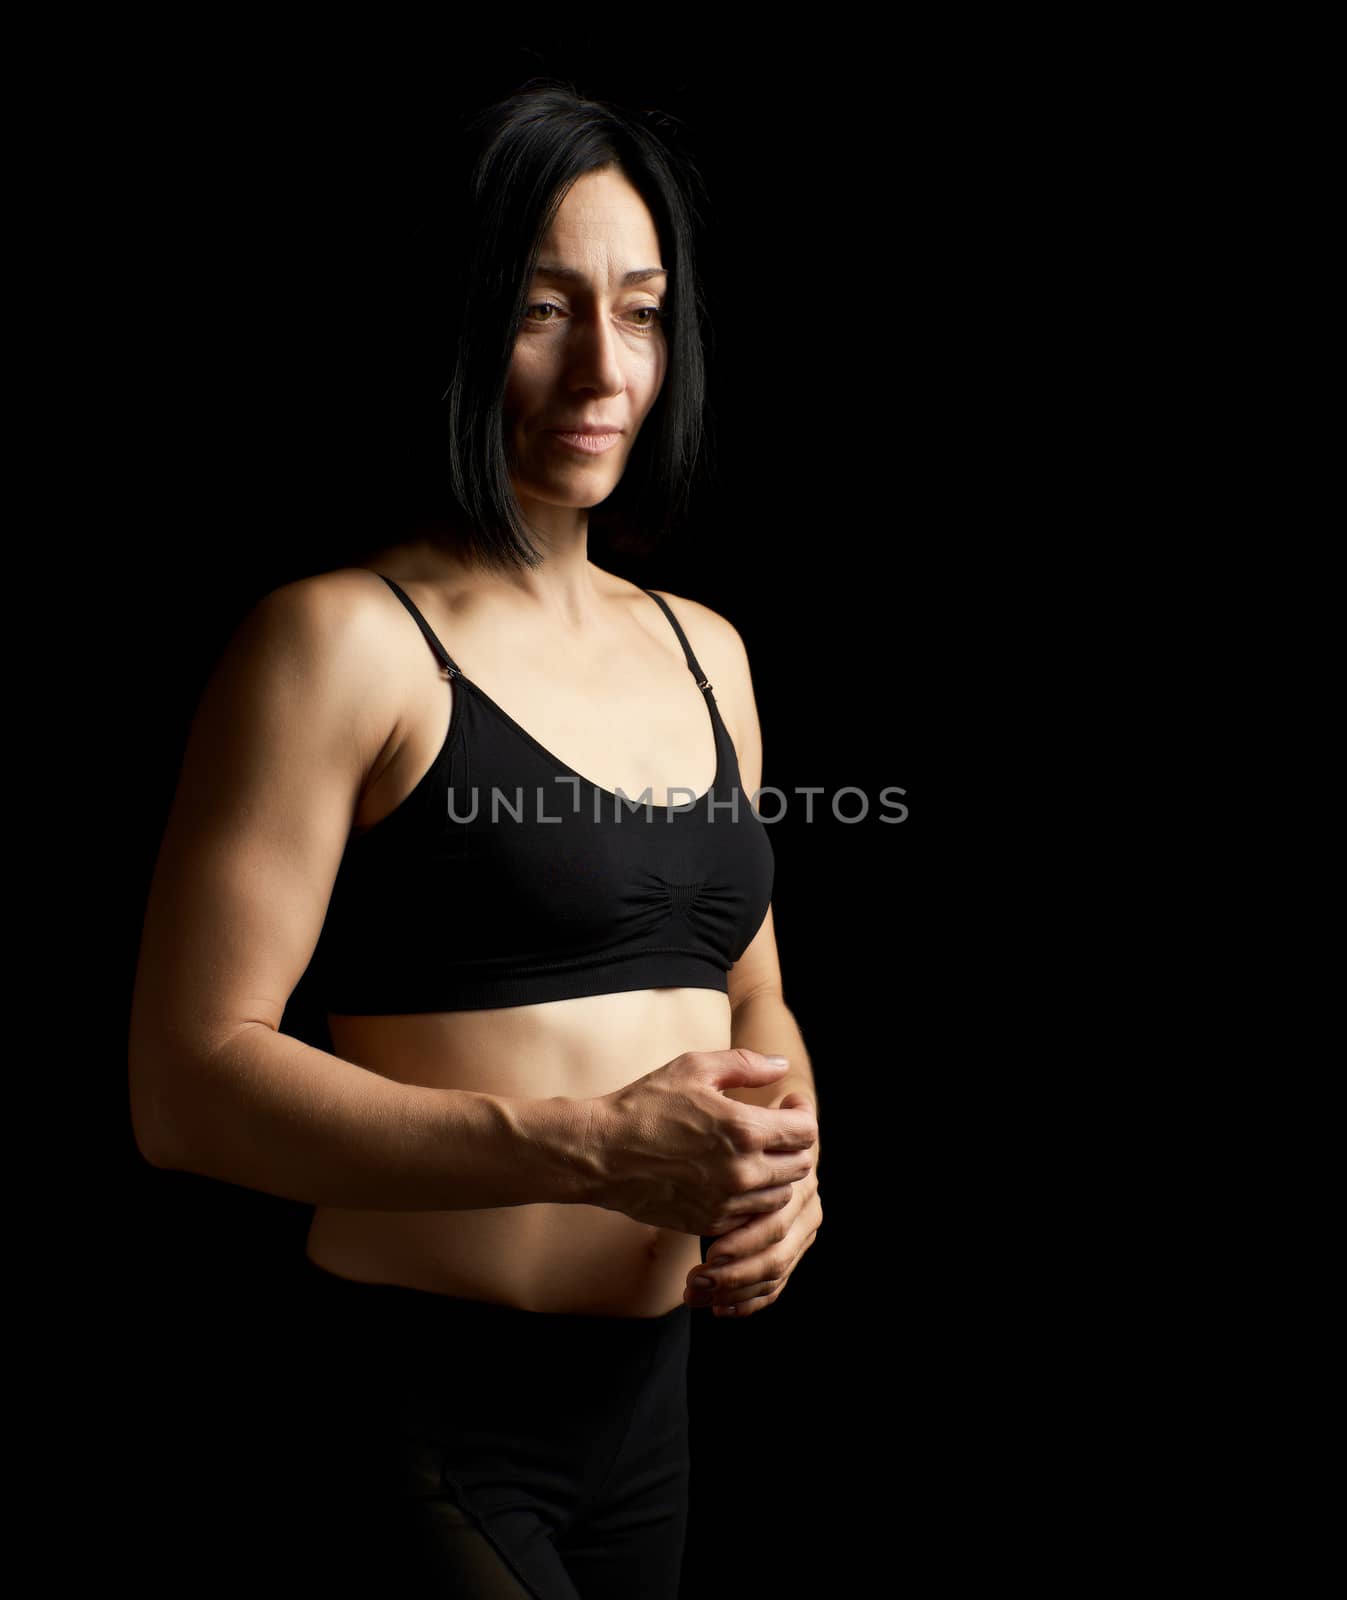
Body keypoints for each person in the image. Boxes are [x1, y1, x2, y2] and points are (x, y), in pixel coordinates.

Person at [128, 78, 823, 1597]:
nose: (602, 368)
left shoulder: (709, 651)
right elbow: (182, 1087)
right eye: (541, 309)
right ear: (455, 321)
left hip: (656, 1418)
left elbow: (752, 988)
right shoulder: (338, 643)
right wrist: (587, 1151)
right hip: (421, 1408)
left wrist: (792, 1168)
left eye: (639, 312)